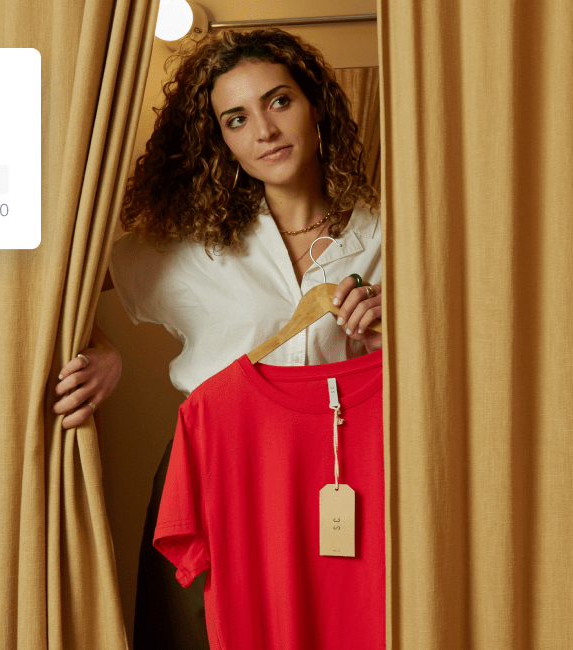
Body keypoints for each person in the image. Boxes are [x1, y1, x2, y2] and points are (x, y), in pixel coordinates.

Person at [53, 28, 383, 648]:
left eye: (279, 101)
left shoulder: (389, 234)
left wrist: (398, 327)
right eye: (237, 118)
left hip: (346, 475)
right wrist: (103, 348)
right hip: (214, 473)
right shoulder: (191, 246)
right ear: (220, 140)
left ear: (315, 106)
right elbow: (55, 286)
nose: (264, 130)